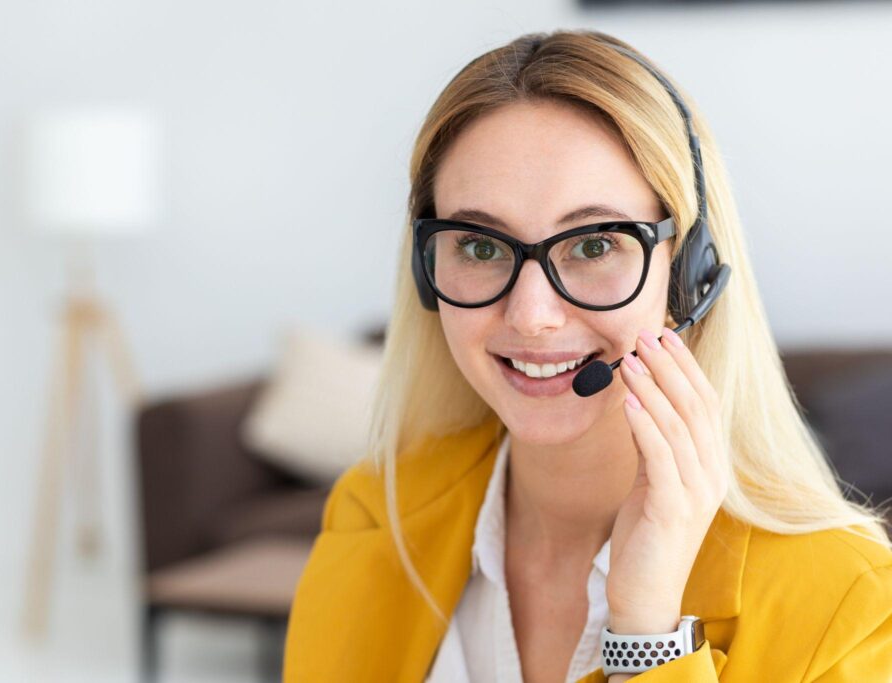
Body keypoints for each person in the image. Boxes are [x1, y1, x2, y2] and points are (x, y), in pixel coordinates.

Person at [283, 29, 892, 682]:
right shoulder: (378, 511)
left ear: (687, 272)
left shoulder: (847, 598)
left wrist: (647, 635)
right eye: (482, 246)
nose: (532, 316)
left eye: (596, 245)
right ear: (426, 266)